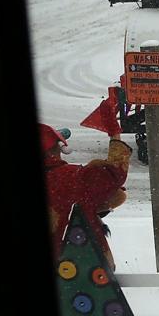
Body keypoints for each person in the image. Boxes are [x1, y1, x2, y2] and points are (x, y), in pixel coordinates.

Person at [43, 93, 131, 269]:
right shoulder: (71, 178)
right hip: (80, 269)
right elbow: (114, 173)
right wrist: (114, 133)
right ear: (54, 151)